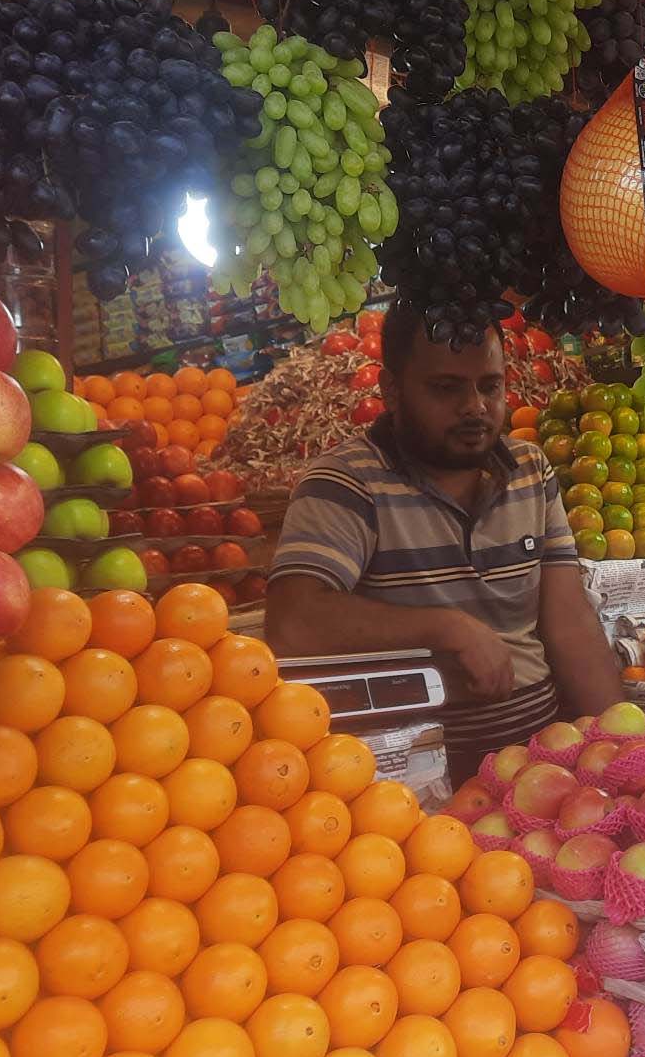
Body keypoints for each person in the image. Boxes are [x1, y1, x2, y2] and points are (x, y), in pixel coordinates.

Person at [266, 301, 624, 778]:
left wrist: (624, 748)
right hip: (411, 793)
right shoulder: (346, 484)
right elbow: (294, 622)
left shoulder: (531, 472)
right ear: (391, 390)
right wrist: (445, 628)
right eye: (446, 388)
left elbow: (570, 626)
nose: (474, 406)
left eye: (489, 386)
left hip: (544, 769)